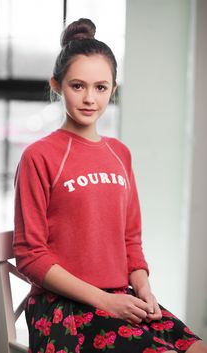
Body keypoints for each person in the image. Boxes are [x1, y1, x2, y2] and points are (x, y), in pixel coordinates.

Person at [13, 18, 207, 353]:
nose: (90, 98)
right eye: (78, 86)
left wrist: (143, 289)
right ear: (56, 85)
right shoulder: (39, 156)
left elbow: (131, 240)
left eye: (100, 87)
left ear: (113, 90)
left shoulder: (120, 154)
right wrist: (104, 300)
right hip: (62, 310)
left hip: (121, 299)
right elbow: (30, 256)